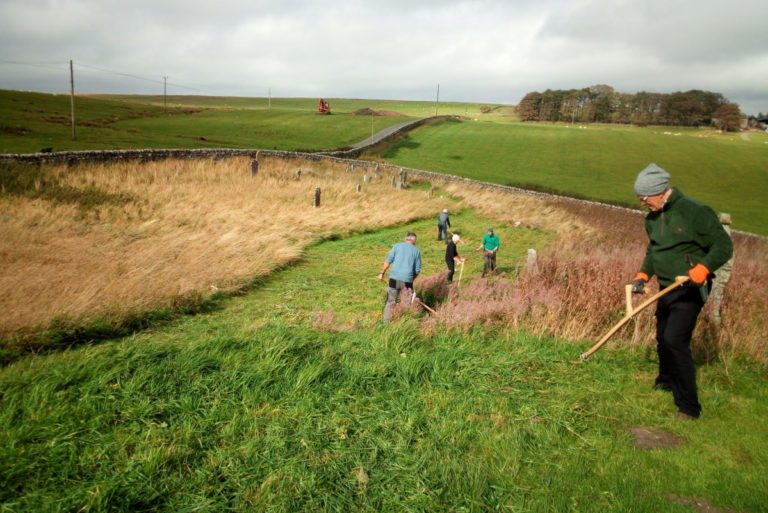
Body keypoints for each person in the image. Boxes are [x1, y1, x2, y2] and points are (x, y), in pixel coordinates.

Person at [629, 163, 733, 420]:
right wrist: (643, 274)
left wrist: (703, 268)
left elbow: (723, 246)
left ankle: (688, 407)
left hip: (690, 288)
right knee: (662, 336)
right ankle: (665, 380)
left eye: (644, 198)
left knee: (675, 340)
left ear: (660, 192)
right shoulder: (652, 218)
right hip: (666, 286)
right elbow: (654, 250)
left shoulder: (695, 212)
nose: (642, 203)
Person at [377, 232, 422, 322]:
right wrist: (411, 279)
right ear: (414, 240)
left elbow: (388, 260)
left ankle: (386, 323)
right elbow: (417, 270)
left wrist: (382, 273)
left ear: (406, 239)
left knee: (390, 301)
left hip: (394, 278)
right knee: (406, 302)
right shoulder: (416, 251)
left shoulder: (397, 246)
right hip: (407, 281)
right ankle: (402, 323)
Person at [709, 213, 734, 327]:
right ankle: (714, 321)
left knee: (714, 294)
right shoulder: (727, 231)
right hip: (725, 269)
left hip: (719, 269)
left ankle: (713, 322)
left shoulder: (720, 231)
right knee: (717, 294)